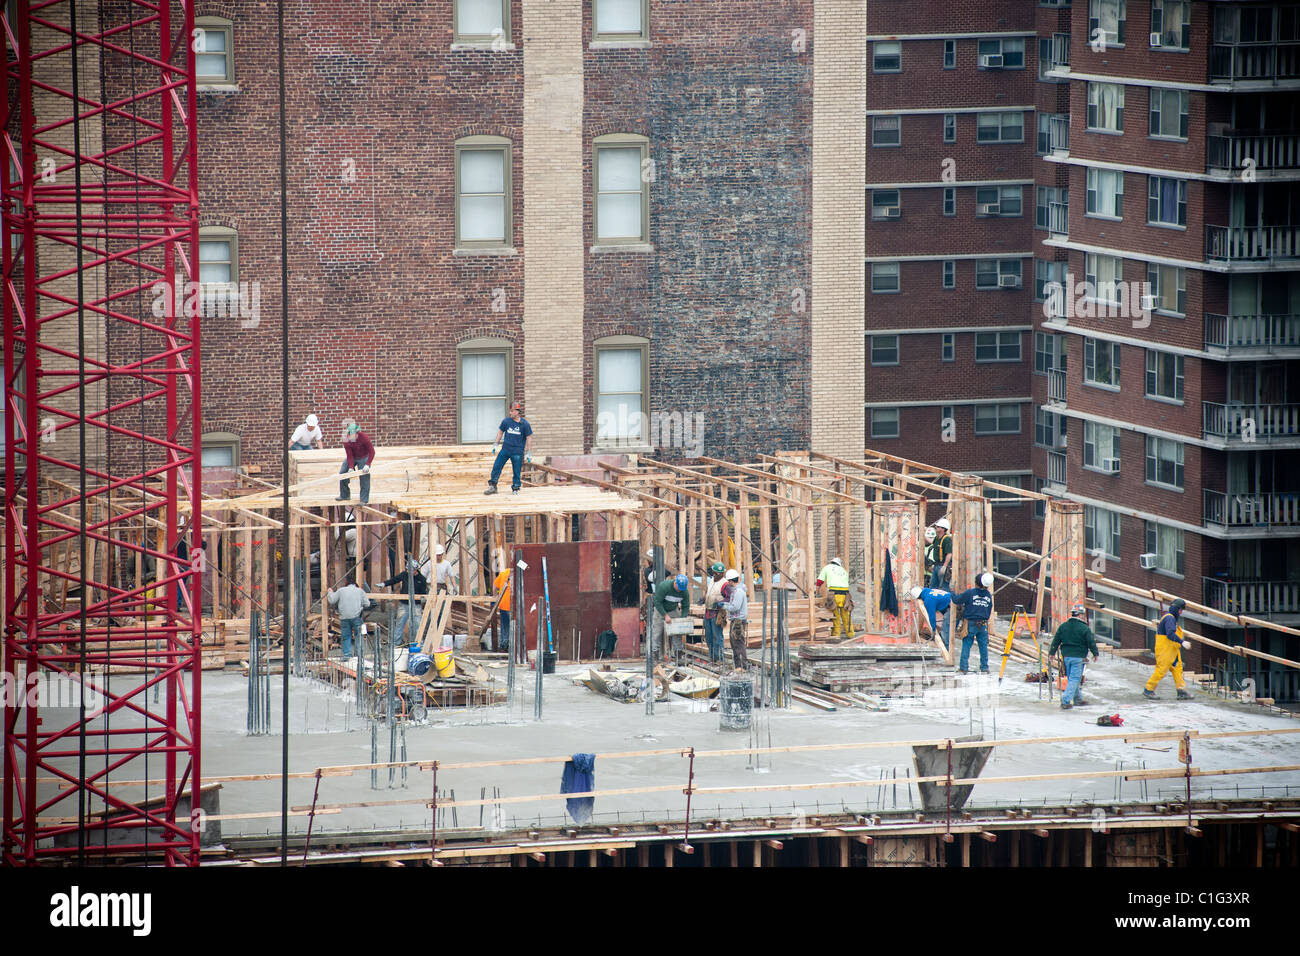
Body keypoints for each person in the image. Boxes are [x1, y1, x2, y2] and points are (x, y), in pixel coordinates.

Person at [1049, 602, 1100, 709]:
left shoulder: (1063, 626)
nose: (1084, 617)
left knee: (1073, 679)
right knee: (1074, 679)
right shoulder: (1084, 628)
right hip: (1078, 657)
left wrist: (1052, 653)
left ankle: (1078, 700)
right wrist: (1095, 653)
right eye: (1083, 615)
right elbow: (1091, 642)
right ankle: (1066, 701)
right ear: (1080, 615)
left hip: (1066, 657)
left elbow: (1056, 640)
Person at [1144, 598, 1193, 700]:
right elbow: (1170, 634)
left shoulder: (1171, 618)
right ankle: (1148, 689)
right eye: (1180, 610)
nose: (1181, 612)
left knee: (1177, 669)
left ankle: (1181, 691)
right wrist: (1182, 642)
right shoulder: (1170, 619)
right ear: (1176, 609)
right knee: (1161, 670)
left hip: (1172, 650)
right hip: (1165, 651)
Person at [484, 402, 533, 496]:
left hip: (517, 452)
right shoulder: (506, 421)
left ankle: (515, 488)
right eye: (510, 411)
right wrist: (495, 444)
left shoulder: (525, 424)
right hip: (505, 449)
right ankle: (493, 486)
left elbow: (529, 438)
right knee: (497, 466)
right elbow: (500, 432)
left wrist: (529, 452)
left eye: (512, 411)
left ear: (517, 412)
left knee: (516, 471)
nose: (510, 413)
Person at [952, 571, 995, 674]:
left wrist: (952, 591)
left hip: (970, 623)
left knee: (966, 644)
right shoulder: (988, 595)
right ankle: (984, 668)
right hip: (983, 624)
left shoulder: (970, 593)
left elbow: (956, 600)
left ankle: (963, 668)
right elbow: (989, 610)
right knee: (983, 646)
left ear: (976, 583)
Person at [382, 558, 429, 646]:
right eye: (407, 570)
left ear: (416, 570)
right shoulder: (404, 575)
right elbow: (394, 579)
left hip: (416, 605)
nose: (408, 572)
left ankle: (418, 643)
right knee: (400, 623)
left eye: (411, 570)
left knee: (417, 625)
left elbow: (423, 592)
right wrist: (384, 584)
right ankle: (396, 643)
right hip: (404, 604)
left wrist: (423, 598)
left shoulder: (421, 579)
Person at [651, 572, 691, 662]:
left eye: (682, 589)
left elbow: (686, 606)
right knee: (657, 632)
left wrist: (683, 619)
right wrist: (665, 615)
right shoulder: (664, 587)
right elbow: (657, 603)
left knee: (677, 631)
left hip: (673, 609)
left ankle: (678, 654)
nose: (680, 590)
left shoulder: (684, 592)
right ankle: (655, 655)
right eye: (679, 588)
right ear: (675, 582)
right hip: (660, 609)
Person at [327, 579, 371, 657]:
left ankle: (347, 654)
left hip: (344, 618)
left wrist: (330, 592)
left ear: (346, 585)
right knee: (359, 635)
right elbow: (367, 604)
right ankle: (359, 655)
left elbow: (332, 600)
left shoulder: (341, 590)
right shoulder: (360, 591)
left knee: (346, 636)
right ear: (356, 585)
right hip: (356, 617)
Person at [337, 422, 375, 505]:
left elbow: (372, 452)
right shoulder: (346, 440)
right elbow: (349, 455)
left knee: (364, 476)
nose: (354, 436)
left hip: (364, 457)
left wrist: (367, 464)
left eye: (356, 434)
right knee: (343, 473)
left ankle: (363, 500)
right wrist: (350, 467)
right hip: (353, 457)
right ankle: (345, 495)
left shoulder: (364, 437)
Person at [816, 557, 853, 639]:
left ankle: (836, 634)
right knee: (846, 615)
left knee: (835, 615)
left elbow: (819, 581)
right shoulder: (843, 570)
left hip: (834, 594)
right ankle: (850, 634)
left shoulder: (827, 567)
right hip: (845, 595)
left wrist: (817, 592)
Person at [720, 568, 750, 670]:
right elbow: (733, 605)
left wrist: (723, 606)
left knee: (738, 645)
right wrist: (725, 604)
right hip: (736, 620)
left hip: (738, 621)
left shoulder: (738, 592)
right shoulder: (736, 591)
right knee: (735, 644)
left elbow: (735, 607)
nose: (728, 583)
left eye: (728, 581)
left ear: (731, 581)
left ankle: (741, 667)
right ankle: (739, 666)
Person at [910, 584, 952, 649]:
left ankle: (947, 652)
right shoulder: (930, 591)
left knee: (945, 631)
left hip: (953, 606)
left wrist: (933, 629)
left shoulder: (928, 600)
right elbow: (942, 604)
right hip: (953, 603)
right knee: (948, 628)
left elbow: (932, 616)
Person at [703, 562, 728, 663]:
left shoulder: (724, 584)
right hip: (708, 611)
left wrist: (720, 603)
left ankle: (720, 659)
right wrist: (704, 598)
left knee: (717, 636)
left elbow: (729, 598)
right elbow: (709, 592)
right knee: (708, 636)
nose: (715, 575)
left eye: (717, 573)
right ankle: (712, 657)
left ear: (722, 573)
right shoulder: (712, 580)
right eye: (714, 573)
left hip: (717, 613)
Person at [491, 564, 513, 653]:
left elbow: (495, 585)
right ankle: (513, 646)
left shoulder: (504, 572)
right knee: (514, 626)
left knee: (505, 626)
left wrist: (495, 597)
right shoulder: (519, 573)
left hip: (503, 604)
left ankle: (504, 646)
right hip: (513, 605)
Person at [930, 517, 953, 588]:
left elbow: (949, 554)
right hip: (936, 565)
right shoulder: (937, 538)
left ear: (943, 529)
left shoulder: (947, 539)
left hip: (942, 566)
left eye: (938, 526)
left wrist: (944, 566)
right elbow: (931, 542)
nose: (936, 527)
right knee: (933, 586)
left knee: (944, 587)